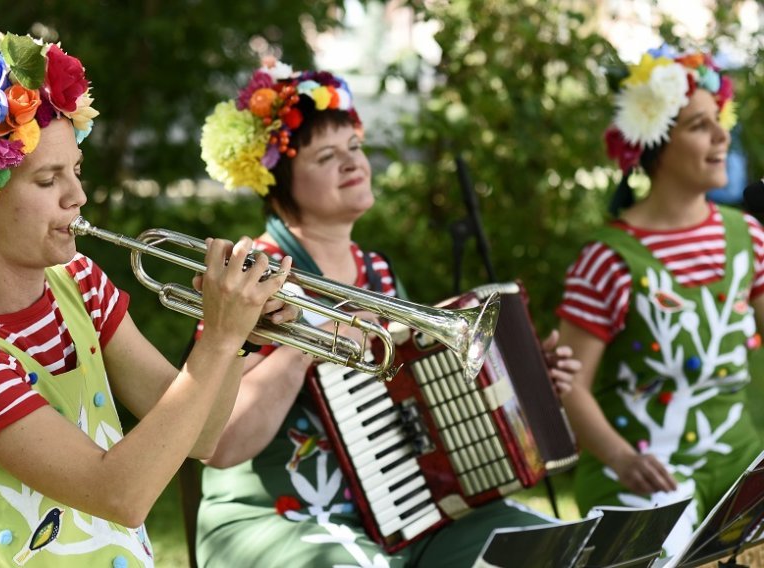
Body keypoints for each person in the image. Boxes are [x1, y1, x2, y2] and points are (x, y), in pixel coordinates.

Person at [193, 58, 581, 567]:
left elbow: (415, 397)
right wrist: (313, 340)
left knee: (553, 549)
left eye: (354, 147)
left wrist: (515, 383)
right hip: (274, 518)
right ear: (278, 181)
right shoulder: (249, 277)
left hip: (402, 512)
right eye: (327, 156)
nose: (353, 162)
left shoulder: (376, 270)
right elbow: (219, 443)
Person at [0, 29, 295, 567]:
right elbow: (120, 493)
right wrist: (221, 338)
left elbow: (203, 436)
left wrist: (237, 337)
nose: (78, 196)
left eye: (76, 170)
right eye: (48, 180)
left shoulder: (80, 282)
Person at [557, 45, 764, 554]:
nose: (721, 137)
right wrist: (623, 459)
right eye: (699, 126)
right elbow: (571, 386)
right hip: (642, 480)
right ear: (654, 145)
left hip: (740, 467)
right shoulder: (606, 259)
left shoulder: (750, 236)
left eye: (719, 121)